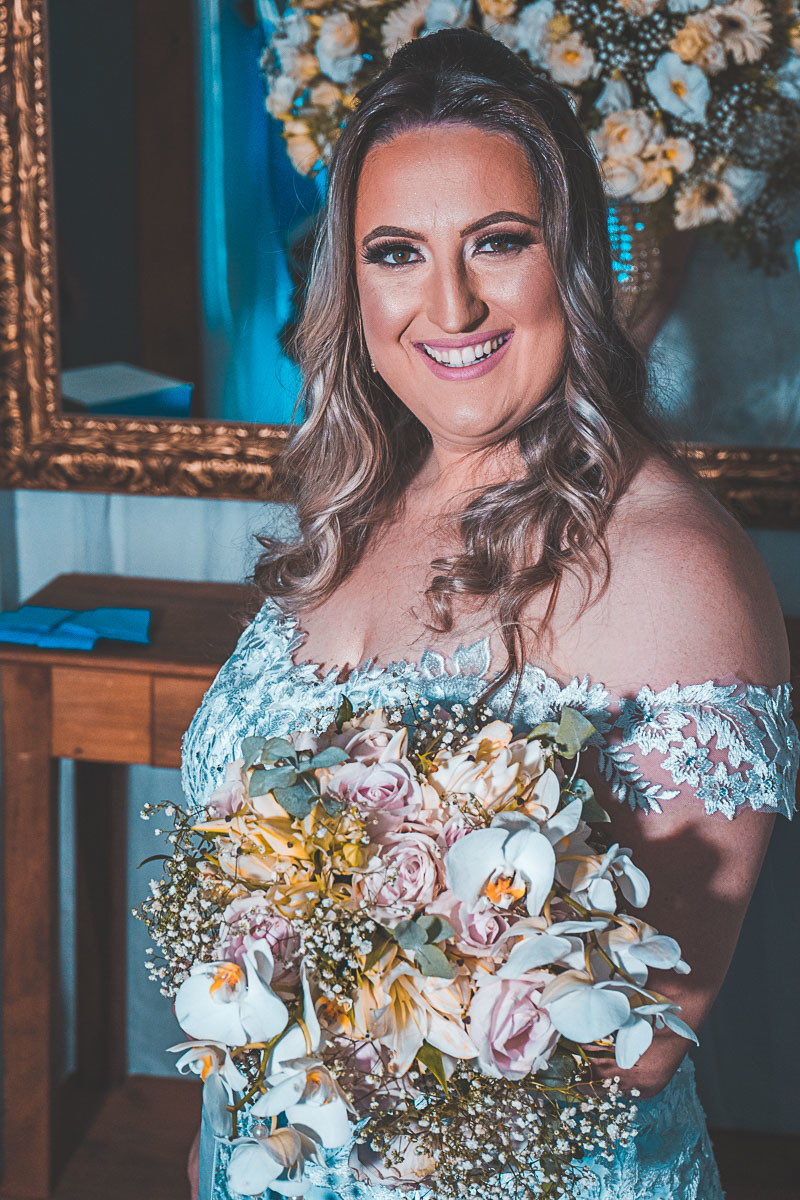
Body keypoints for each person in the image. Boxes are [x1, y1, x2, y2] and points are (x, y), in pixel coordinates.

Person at [182, 28, 798, 1199]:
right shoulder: (360, 504)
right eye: (396, 252)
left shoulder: (670, 570)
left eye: (497, 244)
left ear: (569, 259)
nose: (447, 302)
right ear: (348, 282)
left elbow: (635, 1043)